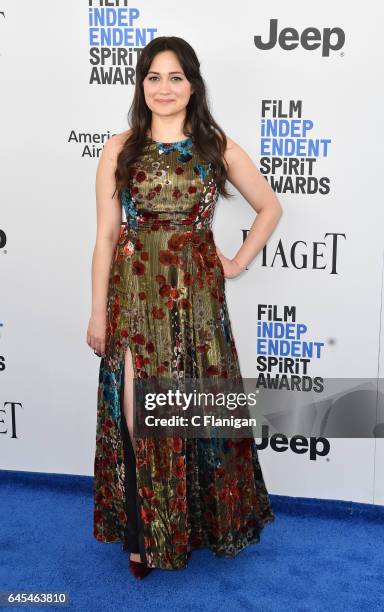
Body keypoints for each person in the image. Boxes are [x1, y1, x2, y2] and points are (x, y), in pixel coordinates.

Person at [86, 36, 283, 579]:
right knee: (136, 415)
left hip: (195, 298)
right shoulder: (119, 147)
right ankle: (143, 534)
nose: (164, 88)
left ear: (192, 85)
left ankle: (193, 528)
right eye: (154, 76)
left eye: (175, 77)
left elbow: (269, 206)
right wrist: (98, 313)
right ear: (141, 84)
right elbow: (106, 236)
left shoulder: (213, 144)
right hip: (134, 296)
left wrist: (238, 261)